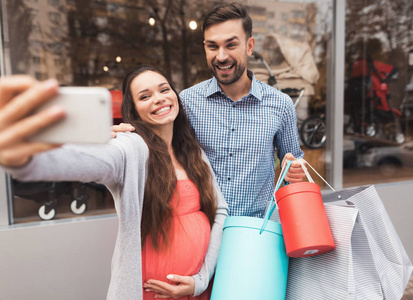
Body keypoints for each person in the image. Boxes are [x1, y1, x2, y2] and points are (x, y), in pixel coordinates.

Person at [0, 66, 229, 300]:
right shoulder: (132, 147)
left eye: (164, 89)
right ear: (135, 111)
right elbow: (94, 162)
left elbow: (220, 210)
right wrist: (28, 158)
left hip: (199, 289)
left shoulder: (192, 152)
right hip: (149, 293)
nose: (159, 99)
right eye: (145, 96)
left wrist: (201, 279)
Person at [114, 3, 305, 218]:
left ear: (249, 46)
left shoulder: (281, 104)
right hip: (203, 232)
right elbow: (156, 143)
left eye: (231, 45)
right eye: (213, 46)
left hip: (256, 234)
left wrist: (297, 171)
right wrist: (125, 136)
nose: (221, 56)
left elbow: (294, 170)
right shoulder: (185, 101)